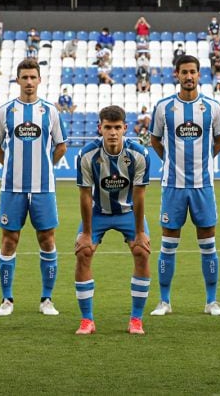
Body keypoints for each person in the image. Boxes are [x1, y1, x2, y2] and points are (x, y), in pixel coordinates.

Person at [149, 55, 220, 317]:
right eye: (184, 72)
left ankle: (211, 301)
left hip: (203, 186)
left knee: (208, 244)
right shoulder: (163, 107)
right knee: (168, 244)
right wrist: (171, 161)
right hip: (173, 185)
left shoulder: (213, 107)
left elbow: (219, 141)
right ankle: (164, 301)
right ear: (177, 75)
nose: (189, 76)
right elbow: (155, 140)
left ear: (199, 74)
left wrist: (203, 161)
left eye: (193, 72)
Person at [0, 59, 68, 317]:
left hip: (43, 187)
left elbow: (61, 146)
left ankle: (47, 299)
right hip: (12, 187)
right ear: (18, 80)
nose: (29, 82)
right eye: (25, 77)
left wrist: (46, 166)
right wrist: (11, 165)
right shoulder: (5, 111)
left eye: (33, 77)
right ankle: (7, 299)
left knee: (47, 239)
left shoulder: (50, 111)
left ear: (40, 80)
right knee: (9, 240)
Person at [74, 105, 153, 335]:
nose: (112, 133)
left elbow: (139, 195)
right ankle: (87, 320)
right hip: (98, 212)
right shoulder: (87, 155)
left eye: (117, 127)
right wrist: (86, 233)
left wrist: (140, 232)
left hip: (128, 212)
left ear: (125, 128)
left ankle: (136, 320)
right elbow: (85, 195)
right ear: (100, 128)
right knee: (83, 252)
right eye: (108, 127)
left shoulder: (139, 154)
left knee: (142, 251)